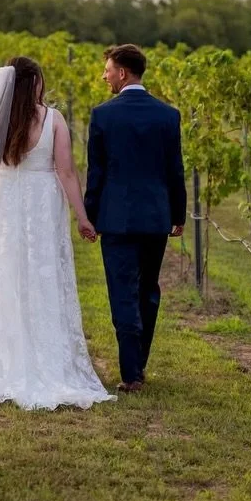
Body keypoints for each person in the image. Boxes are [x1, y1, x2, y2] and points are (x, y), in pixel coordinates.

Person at [0, 56, 115, 410]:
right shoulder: (53, 119)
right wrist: (82, 217)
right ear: (34, 83)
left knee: (4, 275)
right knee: (42, 277)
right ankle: (46, 357)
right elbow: (66, 172)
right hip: (41, 206)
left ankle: (4, 355)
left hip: (1, 203)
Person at [84, 43, 187, 393]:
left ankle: (131, 374)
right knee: (148, 290)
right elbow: (175, 170)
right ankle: (137, 366)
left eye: (108, 69)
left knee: (123, 293)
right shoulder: (168, 115)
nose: (104, 76)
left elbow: (96, 173)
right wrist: (178, 213)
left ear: (123, 73)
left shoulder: (103, 115)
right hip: (156, 216)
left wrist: (89, 214)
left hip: (116, 218)